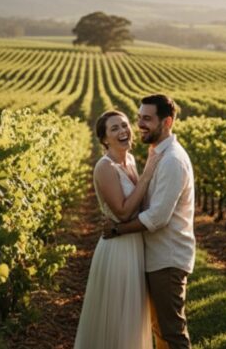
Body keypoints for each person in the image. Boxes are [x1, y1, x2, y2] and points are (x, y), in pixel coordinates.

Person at [103, 94, 196, 349]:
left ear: (166, 122)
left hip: (168, 257)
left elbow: (157, 217)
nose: (139, 124)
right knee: (160, 331)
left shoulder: (172, 160)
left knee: (172, 332)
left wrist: (118, 229)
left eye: (147, 119)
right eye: (139, 118)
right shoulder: (158, 153)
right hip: (157, 255)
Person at [74, 110, 162, 349]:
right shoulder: (105, 167)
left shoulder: (131, 160)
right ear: (104, 140)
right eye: (114, 129)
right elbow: (123, 213)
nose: (123, 131)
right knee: (117, 318)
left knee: (132, 317)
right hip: (117, 250)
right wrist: (147, 176)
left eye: (124, 125)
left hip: (134, 246)